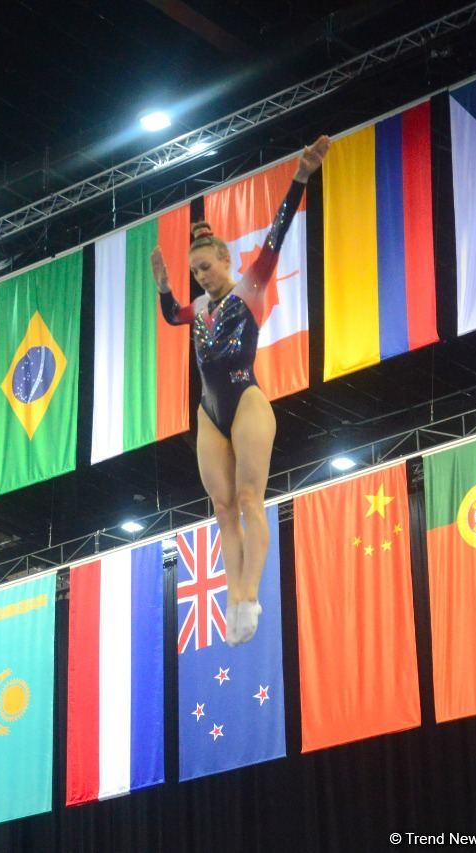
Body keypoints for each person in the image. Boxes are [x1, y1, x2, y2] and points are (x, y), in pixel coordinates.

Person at [151, 136, 330, 645]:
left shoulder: (251, 286)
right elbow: (170, 315)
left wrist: (300, 175)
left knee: (251, 499)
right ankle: (232, 600)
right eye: (194, 273)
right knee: (223, 509)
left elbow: (276, 236)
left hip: (246, 397)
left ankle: (250, 594)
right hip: (210, 409)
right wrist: (165, 285)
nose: (201, 277)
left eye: (205, 267)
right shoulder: (199, 310)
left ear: (226, 261)